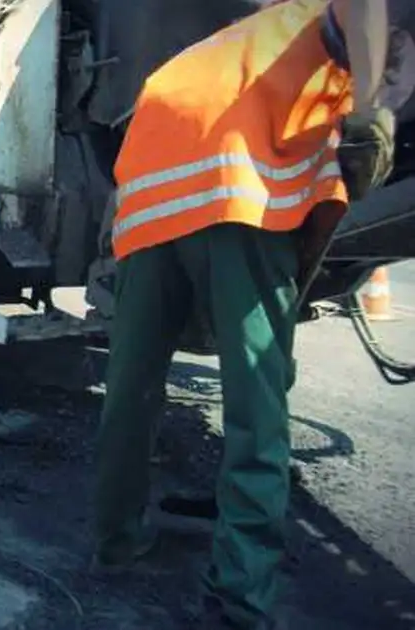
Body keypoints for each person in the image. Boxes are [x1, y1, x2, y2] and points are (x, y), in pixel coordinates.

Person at [91, 0, 403, 628]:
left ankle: (116, 539)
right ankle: (240, 595)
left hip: (151, 172)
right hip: (234, 177)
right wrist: (374, 109)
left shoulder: (255, 35)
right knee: (257, 401)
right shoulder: (344, 34)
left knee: (132, 382)